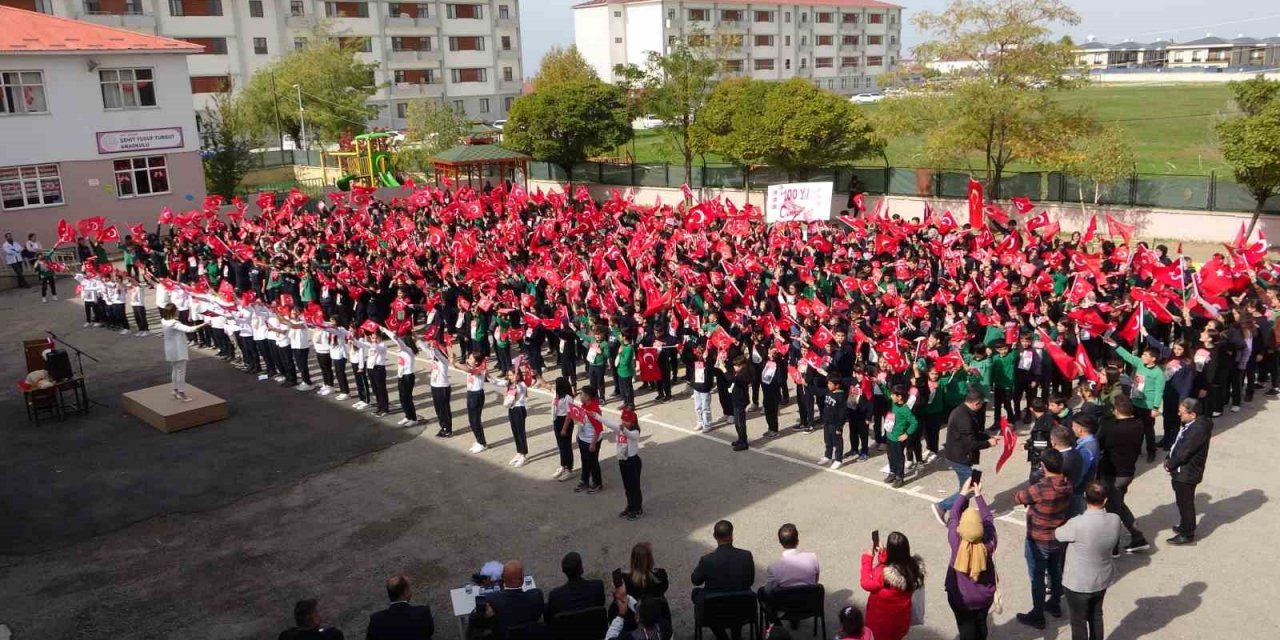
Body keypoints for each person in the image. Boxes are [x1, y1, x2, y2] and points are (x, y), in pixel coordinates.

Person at [1054, 480, 1123, 640]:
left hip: (1078, 583)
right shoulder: (1115, 519)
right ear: (1105, 500)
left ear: (1085, 496)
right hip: (1102, 578)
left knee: (1078, 622)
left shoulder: (1077, 524)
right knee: (1096, 615)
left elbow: (1058, 534)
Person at [1013, 448, 1072, 630]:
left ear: (1044, 466)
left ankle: (1037, 614)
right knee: (1055, 571)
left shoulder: (1041, 488)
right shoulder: (1067, 484)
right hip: (1057, 536)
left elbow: (1019, 497)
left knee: (1037, 577)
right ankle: (1054, 603)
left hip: (1038, 538)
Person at [932, 390, 997, 526]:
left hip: (959, 456)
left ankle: (959, 516)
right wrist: (988, 443)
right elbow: (970, 443)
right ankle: (942, 506)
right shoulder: (964, 417)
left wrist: (987, 437)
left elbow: (974, 433)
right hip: (959, 457)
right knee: (972, 487)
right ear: (975, 403)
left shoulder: (963, 411)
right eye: (981, 405)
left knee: (965, 486)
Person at [1095, 396, 1149, 553]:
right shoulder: (1138, 424)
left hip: (1113, 473)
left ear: (1117, 411)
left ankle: (1114, 547)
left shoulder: (1111, 427)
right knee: (1118, 504)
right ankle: (1137, 537)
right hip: (1128, 472)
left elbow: (1101, 443)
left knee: (1113, 511)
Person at [945, 478, 996, 640]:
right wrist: (978, 496)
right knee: (981, 624)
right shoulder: (989, 543)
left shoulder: (956, 541)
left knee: (965, 628)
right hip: (984, 596)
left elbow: (953, 515)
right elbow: (988, 519)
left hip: (961, 597)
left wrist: (963, 493)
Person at [691, 520, 755, 640]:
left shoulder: (707, 560)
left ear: (715, 536)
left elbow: (696, 580)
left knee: (697, 593)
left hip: (715, 611)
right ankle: (736, 634)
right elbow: (750, 581)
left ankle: (722, 637)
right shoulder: (746, 556)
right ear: (731, 535)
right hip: (741, 608)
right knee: (737, 595)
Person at [1165, 398, 1213, 545]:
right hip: (1183, 471)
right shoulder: (1191, 424)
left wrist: (1170, 464)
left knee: (1185, 503)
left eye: (1182, 412)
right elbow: (1179, 443)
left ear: (1193, 415)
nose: (1179, 414)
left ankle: (1187, 533)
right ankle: (1185, 525)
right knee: (1182, 501)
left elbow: (1185, 451)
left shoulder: (1197, 430)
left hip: (1187, 472)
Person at [859, 531, 925, 640]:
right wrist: (883, 553)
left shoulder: (882, 575)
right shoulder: (913, 569)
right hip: (900, 622)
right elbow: (895, 563)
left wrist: (867, 558)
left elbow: (866, 582)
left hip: (880, 626)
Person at [760, 523, 820, 623]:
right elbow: (815, 582)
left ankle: (774, 623)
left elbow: (769, 592)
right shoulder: (812, 558)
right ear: (797, 540)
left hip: (786, 608)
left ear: (780, 542)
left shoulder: (774, 568)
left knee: (762, 592)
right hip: (809, 605)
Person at [481, 561, 545, 639]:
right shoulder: (536, 595)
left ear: (503, 578)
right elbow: (537, 615)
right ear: (522, 579)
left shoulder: (491, 599)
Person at [603, 406, 645, 519]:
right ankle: (630, 506)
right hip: (623, 461)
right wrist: (596, 416)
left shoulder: (635, 432)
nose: (624, 422)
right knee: (627, 487)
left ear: (633, 422)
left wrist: (623, 429)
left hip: (632, 461)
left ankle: (637, 509)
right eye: (623, 420)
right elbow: (609, 423)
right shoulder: (620, 429)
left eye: (627, 421)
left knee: (634, 487)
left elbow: (629, 435)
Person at [366, 575, 435, 640]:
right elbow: (429, 632)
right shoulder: (423, 613)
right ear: (405, 592)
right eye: (408, 588)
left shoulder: (376, 620)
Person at [160, 303, 205, 402]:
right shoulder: (174, 323)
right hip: (178, 350)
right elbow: (189, 329)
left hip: (170, 349)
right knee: (181, 372)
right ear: (173, 311)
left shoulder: (164, 321)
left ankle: (175, 389)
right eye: (176, 309)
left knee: (175, 370)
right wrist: (204, 324)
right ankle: (181, 392)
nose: (178, 311)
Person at [545, 551, 606, 624]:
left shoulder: (555, 596)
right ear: (581, 569)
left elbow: (550, 621)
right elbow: (600, 604)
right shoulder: (597, 587)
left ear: (564, 571)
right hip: (595, 633)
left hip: (567, 634)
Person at [572, 385, 606, 494]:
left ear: (588, 397)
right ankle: (584, 480)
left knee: (593, 463)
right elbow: (581, 422)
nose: (580, 396)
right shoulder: (583, 406)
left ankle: (597, 483)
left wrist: (593, 443)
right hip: (583, 439)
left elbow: (598, 429)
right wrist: (578, 435)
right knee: (585, 461)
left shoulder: (594, 410)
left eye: (582, 394)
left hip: (592, 440)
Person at [278, 598, 344, 639]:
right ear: (315, 620)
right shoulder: (332, 635)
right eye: (316, 613)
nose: (318, 614)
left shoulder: (285, 636)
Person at [503, 368, 529, 467]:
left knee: (520, 432)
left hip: (519, 409)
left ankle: (524, 455)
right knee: (515, 432)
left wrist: (515, 385)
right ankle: (519, 452)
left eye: (511, 375)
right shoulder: (511, 384)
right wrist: (489, 377)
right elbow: (500, 383)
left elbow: (521, 390)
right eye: (508, 375)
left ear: (517, 375)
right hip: (512, 409)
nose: (509, 377)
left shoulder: (521, 385)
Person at [551, 377, 576, 480]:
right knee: (561, 446)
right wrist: (538, 376)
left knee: (566, 446)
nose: (555, 386)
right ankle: (563, 465)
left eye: (556, 384)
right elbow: (546, 386)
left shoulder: (568, 398)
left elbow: (569, 414)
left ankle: (569, 469)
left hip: (565, 422)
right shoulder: (557, 395)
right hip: (557, 420)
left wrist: (564, 428)